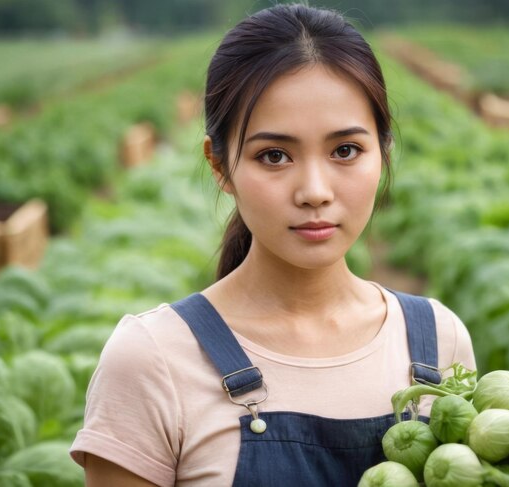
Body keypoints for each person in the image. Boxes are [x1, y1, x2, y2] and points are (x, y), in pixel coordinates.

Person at [70, 4, 476, 486]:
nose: (314, 191)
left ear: (383, 153)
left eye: (345, 150)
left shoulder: (437, 341)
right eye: (275, 155)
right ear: (220, 166)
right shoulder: (152, 359)